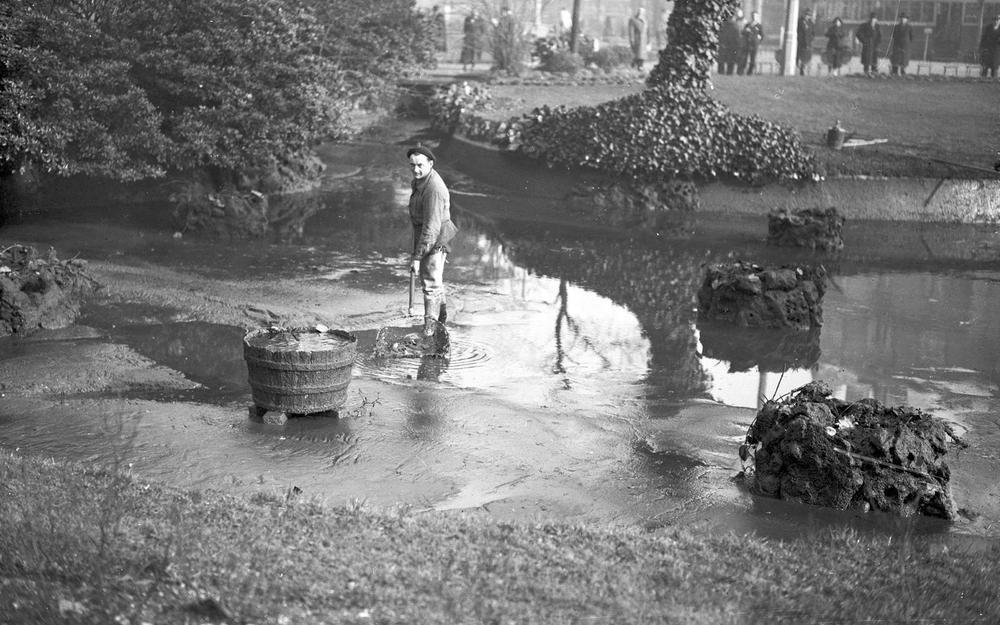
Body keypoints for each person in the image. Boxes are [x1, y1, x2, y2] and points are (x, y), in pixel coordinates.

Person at [406, 146, 457, 350]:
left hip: (434, 240)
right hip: (428, 236)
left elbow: (431, 228)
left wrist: (417, 258)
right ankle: (441, 322)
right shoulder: (421, 181)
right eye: (412, 165)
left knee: (431, 285)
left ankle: (430, 331)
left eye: (420, 165)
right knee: (435, 282)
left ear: (430, 164)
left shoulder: (434, 189)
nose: (416, 169)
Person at [719, 9, 744, 75]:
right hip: (732, 46)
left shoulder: (725, 25)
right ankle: (729, 73)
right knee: (730, 60)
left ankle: (722, 72)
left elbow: (722, 35)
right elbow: (738, 37)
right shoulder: (735, 26)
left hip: (726, 45)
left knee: (724, 60)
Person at [980, 14, 1000, 78]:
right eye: (994, 20)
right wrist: (981, 48)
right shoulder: (988, 28)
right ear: (992, 20)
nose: (996, 21)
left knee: (994, 68)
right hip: (988, 50)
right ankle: (981, 83)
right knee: (985, 67)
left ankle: (993, 83)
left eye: (997, 20)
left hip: (997, 51)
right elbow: (983, 38)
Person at [796, 8, 815, 75]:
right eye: (806, 15)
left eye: (809, 15)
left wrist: (810, 40)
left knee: (806, 56)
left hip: (808, 43)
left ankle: (803, 69)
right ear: (803, 15)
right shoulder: (799, 21)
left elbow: (813, 33)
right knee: (799, 55)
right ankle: (797, 67)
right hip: (801, 42)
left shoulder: (811, 23)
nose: (807, 16)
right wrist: (800, 40)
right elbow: (798, 32)